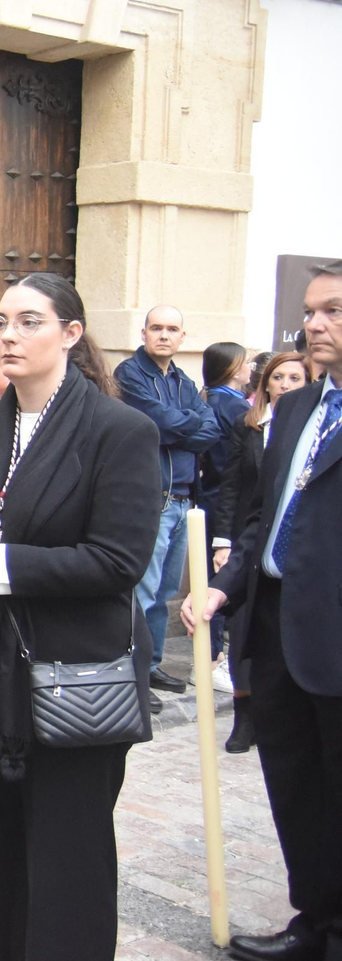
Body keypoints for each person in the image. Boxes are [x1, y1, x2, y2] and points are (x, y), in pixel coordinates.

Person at [0, 273, 161, 960]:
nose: (8, 337)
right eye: (0, 324)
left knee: (66, 863)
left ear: (71, 334)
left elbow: (117, 562)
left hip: (72, 676)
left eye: (30, 322)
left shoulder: (121, 431)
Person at [190, 260, 342, 961]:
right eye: (311, 311)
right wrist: (228, 584)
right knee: (295, 784)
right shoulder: (301, 407)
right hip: (278, 626)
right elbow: (265, 518)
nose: (314, 324)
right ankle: (317, 922)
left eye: (333, 311)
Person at [114, 306, 219, 705]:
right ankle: (132, 674)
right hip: (153, 497)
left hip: (183, 499)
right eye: (156, 328)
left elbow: (210, 430)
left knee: (166, 590)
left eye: (171, 329)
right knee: (142, 588)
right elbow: (153, 423)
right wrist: (184, 424)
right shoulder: (129, 374)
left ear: (182, 337)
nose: (163, 335)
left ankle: (152, 663)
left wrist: (180, 425)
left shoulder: (184, 380)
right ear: (143, 333)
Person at [213, 351, 310, 755]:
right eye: (279, 377)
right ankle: (243, 714)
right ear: (265, 383)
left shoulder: (311, 429)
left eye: (295, 378)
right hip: (246, 543)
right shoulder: (248, 426)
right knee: (241, 632)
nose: (286, 384)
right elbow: (230, 486)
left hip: (293, 549)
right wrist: (222, 542)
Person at [199, 341, 253, 687]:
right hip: (222, 502)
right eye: (246, 362)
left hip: (211, 498)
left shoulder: (216, 401)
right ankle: (213, 656)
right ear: (233, 368)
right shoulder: (233, 408)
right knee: (218, 577)